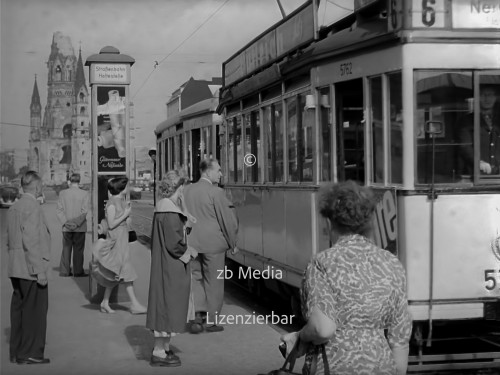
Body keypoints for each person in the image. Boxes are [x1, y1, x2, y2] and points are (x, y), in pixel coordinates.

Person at [281, 180, 412, 375]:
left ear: (329, 221)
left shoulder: (322, 263)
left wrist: (300, 336)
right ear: (367, 222)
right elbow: (400, 340)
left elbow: (322, 329)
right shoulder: (391, 263)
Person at [146, 170, 197, 367]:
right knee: (168, 306)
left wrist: (183, 207)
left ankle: (164, 348)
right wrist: (189, 251)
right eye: (183, 186)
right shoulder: (170, 213)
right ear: (179, 187)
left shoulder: (164, 208)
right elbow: (175, 243)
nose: (184, 190)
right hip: (171, 267)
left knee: (166, 306)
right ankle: (159, 352)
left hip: (165, 265)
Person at [183, 159, 239, 333]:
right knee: (214, 281)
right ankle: (212, 321)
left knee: (195, 278)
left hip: (192, 243)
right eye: (218, 170)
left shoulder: (186, 190)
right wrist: (233, 243)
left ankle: (197, 315)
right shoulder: (216, 192)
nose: (221, 174)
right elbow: (227, 220)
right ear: (207, 172)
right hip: (213, 245)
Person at [7, 171, 51, 365]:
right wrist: (38, 269)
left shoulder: (14, 207)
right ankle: (31, 353)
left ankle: (17, 352)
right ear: (37, 187)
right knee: (35, 312)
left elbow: (9, 239)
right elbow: (31, 240)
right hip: (30, 269)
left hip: (15, 267)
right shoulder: (32, 207)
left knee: (19, 311)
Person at [92, 176, 147, 314]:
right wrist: (125, 215)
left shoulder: (120, 201)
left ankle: (105, 302)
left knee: (115, 273)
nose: (128, 188)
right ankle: (134, 304)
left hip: (122, 240)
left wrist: (128, 219)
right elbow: (111, 224)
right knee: (126, 272)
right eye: (127, 186)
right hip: (116, 241)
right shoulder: (111, 204)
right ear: (121, 188)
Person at [458, 85, 500, 175]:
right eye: (483, 94)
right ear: (477, 97)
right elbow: (464, 146)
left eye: (490, 95)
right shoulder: (467, 120)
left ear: (496, 97)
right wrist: (479, 163)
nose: (487, 98)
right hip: (475, 175)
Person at [56, 173, 89, 277]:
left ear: (70, 181)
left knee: (66, 249)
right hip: (80, 227)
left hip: (66, 227)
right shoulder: (84, 193)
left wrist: (66, 222)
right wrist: (77, 223)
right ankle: (78, 271)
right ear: (79, 181)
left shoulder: (63, 193)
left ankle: (65, 271)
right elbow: (84, 211)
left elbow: (59, 210)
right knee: (78, 250)